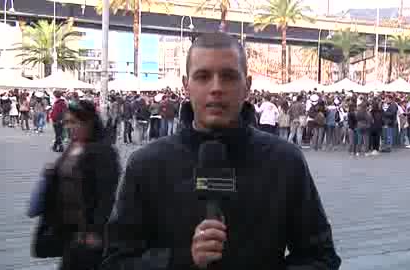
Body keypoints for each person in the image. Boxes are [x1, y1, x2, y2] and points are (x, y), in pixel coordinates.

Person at [102, 32, 340, 270]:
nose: (216, 88)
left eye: (228, 77)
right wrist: (182, 260)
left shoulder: (285, 160)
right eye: (203, 76)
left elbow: (320, 256)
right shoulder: (147, 164)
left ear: (247, 86)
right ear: (186, 85)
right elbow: (116, 261)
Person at [40, 100, 120, 270]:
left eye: (74, 122)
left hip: (88, 233)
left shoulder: (103, 152)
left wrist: (95, 230)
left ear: (88, 122)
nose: (68, 127)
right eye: (66, 122)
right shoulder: (73, 146)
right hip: (69, 230)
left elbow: (106, 195)